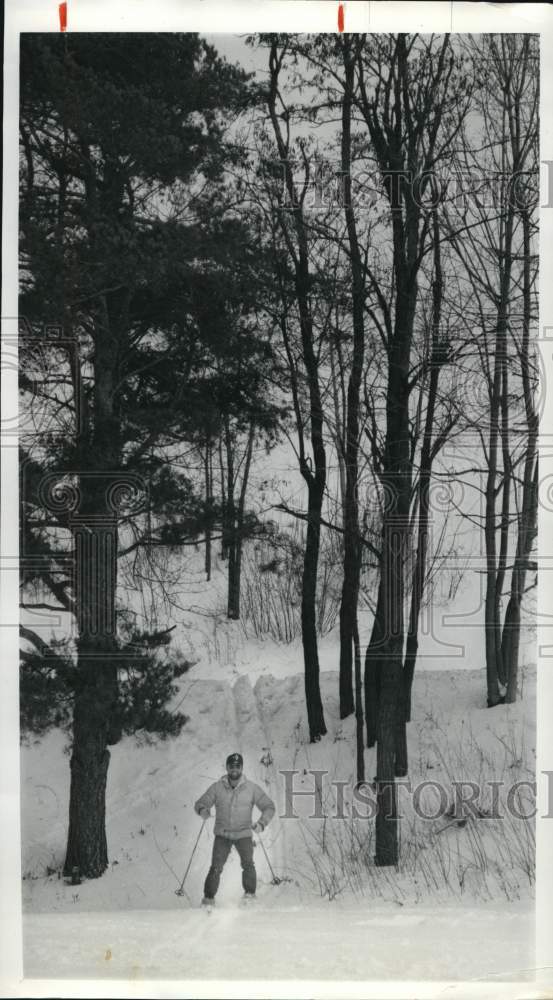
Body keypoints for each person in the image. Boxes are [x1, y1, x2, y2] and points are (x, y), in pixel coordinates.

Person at [194, 752, 275, 905]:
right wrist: (203, 810)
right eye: (231, 767)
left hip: (243, 833)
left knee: (248, 865)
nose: (234, 770)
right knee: (216, 867)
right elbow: (200, 803)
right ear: (227, 768)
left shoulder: (251, 788)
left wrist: (261, 824)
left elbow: (269, 807)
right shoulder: (217, 787)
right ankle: (208, 900)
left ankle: (250, 897)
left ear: (242, 768)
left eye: (237, 767)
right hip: (222, 834)